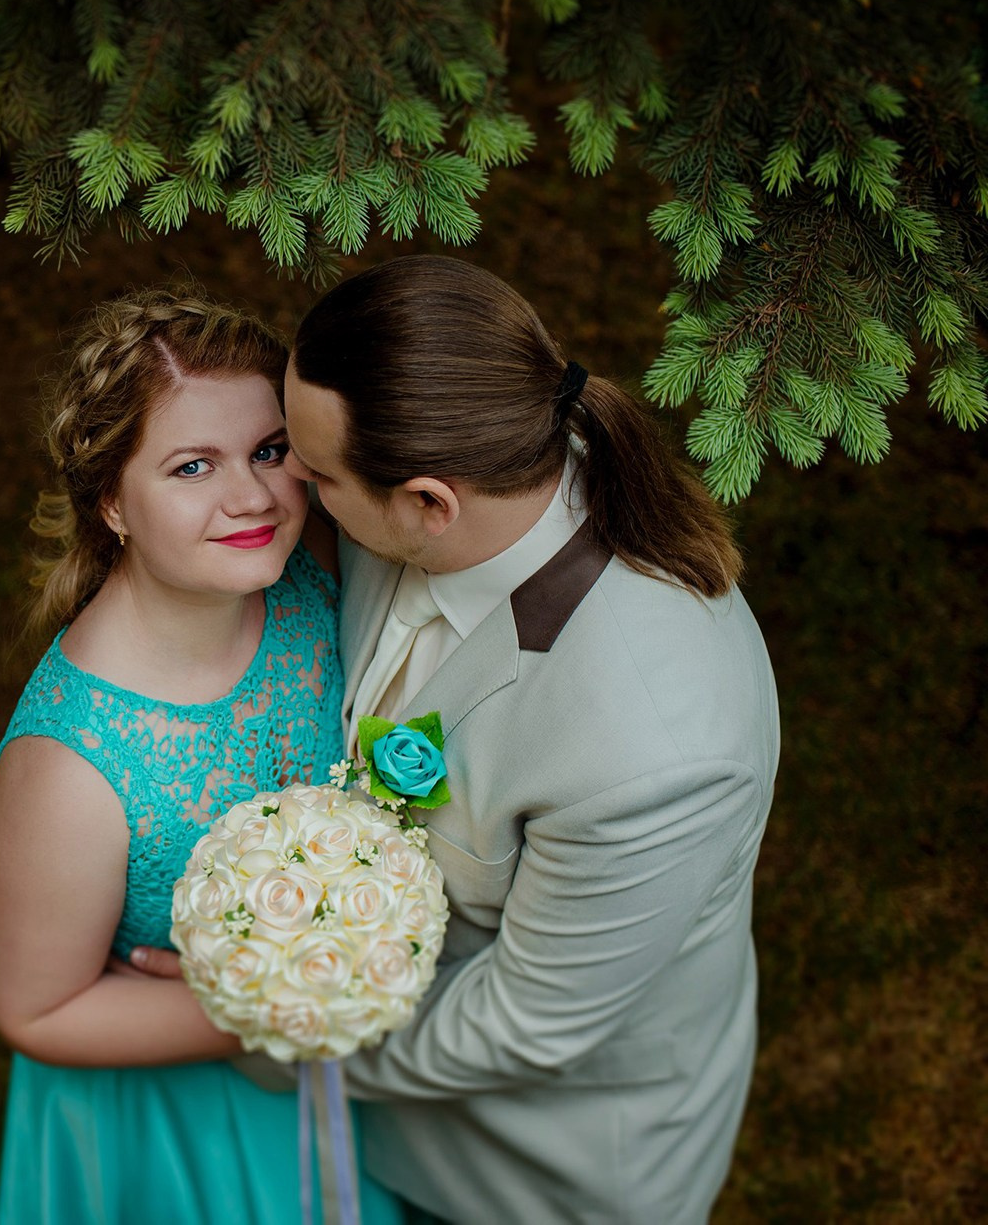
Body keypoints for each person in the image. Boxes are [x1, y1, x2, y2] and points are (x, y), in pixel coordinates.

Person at [139, 255, 780, 1223]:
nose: (290, 499)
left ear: (427, 504)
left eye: (314, 476)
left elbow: (527, 1023)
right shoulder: (476, 464)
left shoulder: (650, 748)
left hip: (526, 1168)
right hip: (374, 1102)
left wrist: (262, 1030)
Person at [0, 291, 405, 1223]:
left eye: (267, 450)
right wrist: (289, 995)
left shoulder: (311, 568)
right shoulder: (73, 759)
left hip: (353, 1082)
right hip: (180, 1115)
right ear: (111, 504)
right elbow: (36, 1009)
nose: (250, 496)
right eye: (191, 466)